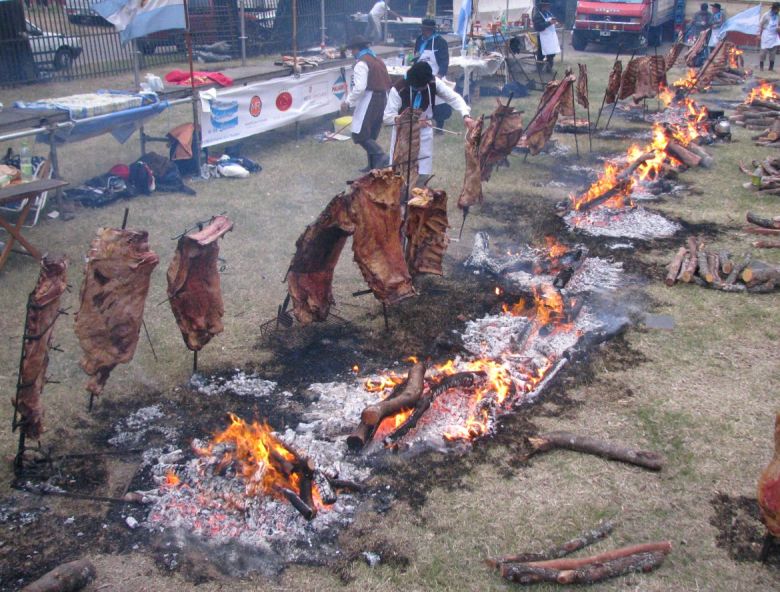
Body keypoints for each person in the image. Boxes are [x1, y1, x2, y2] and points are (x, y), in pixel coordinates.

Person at [383, 61, 475, 185]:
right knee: (399, 171)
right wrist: (412, 121)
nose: (422, 88)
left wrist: (466, 115)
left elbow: (453, 97)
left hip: (424, 133)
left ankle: (417, 197)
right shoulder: (399, 89)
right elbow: (388, 117)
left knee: (422, 171)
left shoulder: (432, 83)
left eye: (423, 86)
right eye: (419, 86)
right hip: (402, 135)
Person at [341, 36, 392, 172]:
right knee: (371, 132)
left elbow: (360, 88)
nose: (352, 52)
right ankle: (372, 165)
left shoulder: (362, 63)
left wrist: (348, 101)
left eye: (352, 49)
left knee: (360, 133)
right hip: (382, 97)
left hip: (371, 98)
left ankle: (381, 156)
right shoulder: (377, 59)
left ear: (357, 49)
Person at [413, 18, 452, 132]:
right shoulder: (419, 39)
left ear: (431, 30)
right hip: (421, 75)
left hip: (435, 74)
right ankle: (420, 121)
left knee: (438, 101)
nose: (423, 31)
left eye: (425, 29)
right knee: (421, 99)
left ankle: (439, 125)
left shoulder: (440, 42)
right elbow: (416, 55)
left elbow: (445, 60)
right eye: (422, 29)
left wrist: (440, 75)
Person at [533, 1, 559, 74]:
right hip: (542, 37)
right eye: (546, 6)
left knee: (551, 53)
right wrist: (549, 23)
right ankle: (539, 70)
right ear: (542, 6)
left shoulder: (549, 14)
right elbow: (538, 27)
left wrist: (555, 22)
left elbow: (552, 21)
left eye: (548, 6)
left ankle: (549, 68)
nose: (548, 7)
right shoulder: (537, 15)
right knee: (541, 54)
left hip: (550, 37)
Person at [760, 3, 780, 71]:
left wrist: (778, 28)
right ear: (774, 8)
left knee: (773, 53)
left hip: (774, 36)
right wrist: (758, 35)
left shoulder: (778, 16)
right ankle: (761, 67)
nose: (778, 11)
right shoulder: (766, 15)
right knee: (763, 53)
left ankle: (771, 68)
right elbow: (761, 25)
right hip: (766, 35)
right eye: (777, 9)